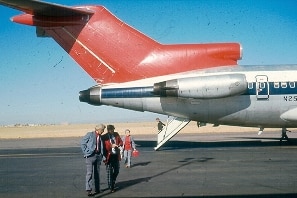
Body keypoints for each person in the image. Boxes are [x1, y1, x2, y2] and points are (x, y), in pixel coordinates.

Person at [80, 124, 106, 197]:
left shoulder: (100, 137)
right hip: (90, 156)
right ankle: (89, 190)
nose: (103, 131)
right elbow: (82, 143)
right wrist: (86, 152)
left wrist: (102, 156)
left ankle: (97, 189)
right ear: (99, 129)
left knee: (97, 173)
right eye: (102, 130)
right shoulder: (90, 134)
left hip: (98, 156)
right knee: (89, 173)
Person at [102, 125, 123, 192]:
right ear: (108, 130)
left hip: (116, 155)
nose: (112, 131)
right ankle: (111, 187)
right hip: (109, 156)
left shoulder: (116, 134)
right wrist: (111, 146)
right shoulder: (104, 137)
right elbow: (104, 147)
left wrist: (119, 145)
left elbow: (121, 141)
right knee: (109, 172)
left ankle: (113, 181)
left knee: (117, 170)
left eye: (113, 129)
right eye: (110, 130)